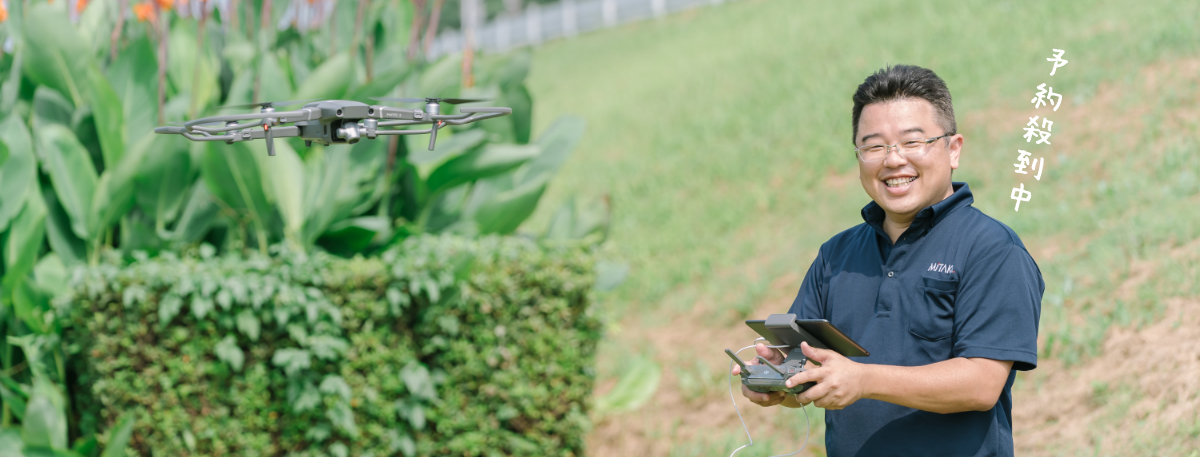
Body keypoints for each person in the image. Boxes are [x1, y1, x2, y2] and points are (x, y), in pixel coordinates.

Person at [733, 65, 1044, 457]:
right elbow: (816, 378)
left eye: (912, 142)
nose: (893, 160)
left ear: (954, 149)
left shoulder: (992, 249)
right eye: (874, 146)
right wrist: (777, 379)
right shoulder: (836, 256)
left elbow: (981, 384)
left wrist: (864, 380)